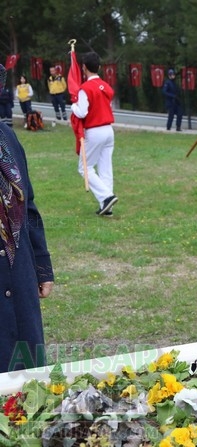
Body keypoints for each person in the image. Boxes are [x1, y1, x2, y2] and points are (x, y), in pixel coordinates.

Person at [0, 64, 54, 373]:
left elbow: (28, 203)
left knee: (28, 375)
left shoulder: (6, 137)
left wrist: (42, 267)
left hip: (18, 271)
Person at [70, 52, 118, 216]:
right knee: (105, 168)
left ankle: (106, 197)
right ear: (98, 67)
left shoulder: (85, 88)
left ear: (84, 68)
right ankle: (107, 207)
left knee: (85, 168)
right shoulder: (105, 85)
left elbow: (82, 112)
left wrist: (73, 106)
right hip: (108, 130)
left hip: (95, 130)